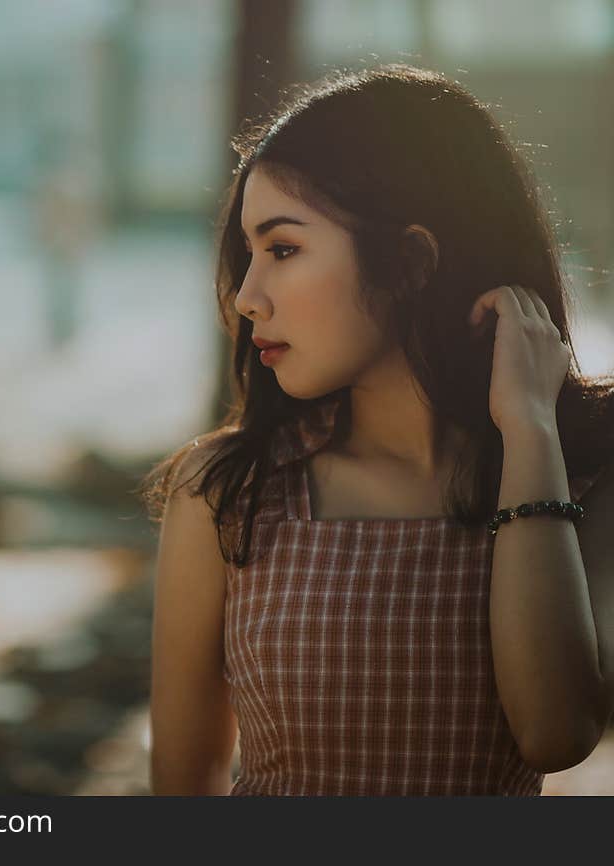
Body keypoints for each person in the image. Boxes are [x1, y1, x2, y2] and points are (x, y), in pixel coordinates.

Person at [140, 63, 614, 796]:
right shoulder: (226, 491)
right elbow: (181, 788)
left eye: (284, 249)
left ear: (411, 260)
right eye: (249, 254)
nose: (249, 297)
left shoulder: (581, 470)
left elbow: (556, 733)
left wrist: (529, 432)